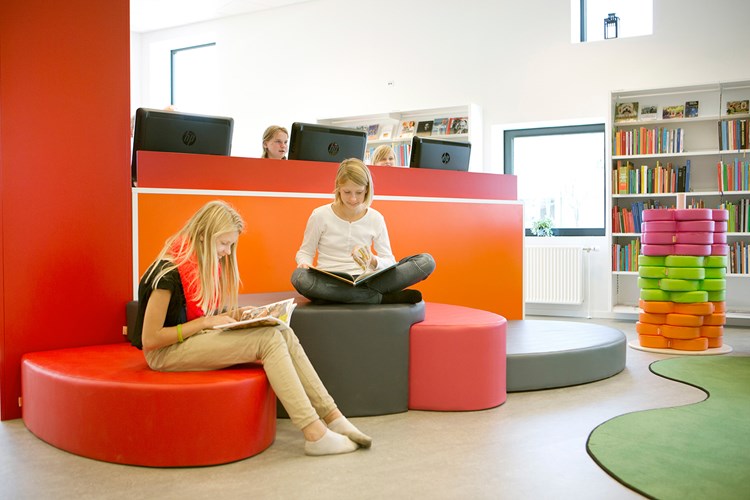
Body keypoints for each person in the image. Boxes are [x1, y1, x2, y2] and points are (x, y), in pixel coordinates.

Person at [132, 200, 371, 456]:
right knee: (268, 339)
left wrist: (233, 316)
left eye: (230, 245)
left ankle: (333, 416)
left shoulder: (200, 266)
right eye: (223, 243)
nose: (227, 252)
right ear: (203, 235)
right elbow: (151, 340)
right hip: (165, 353)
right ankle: (315, 433)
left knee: (283, 331)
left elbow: (198, 316)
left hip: (192, 339)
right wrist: (205, 323)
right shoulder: (167, 273)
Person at [291, 158, 435, 304]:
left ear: (367, 189)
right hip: (330, 282)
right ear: (338, 188)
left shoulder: (375, 218)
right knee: (299, 277)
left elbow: (389, 261)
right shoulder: (320, 215)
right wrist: (304, 264)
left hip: (369, 280)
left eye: (359, 192)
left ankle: (345, 298)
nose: (353, 199)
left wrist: (372, 260)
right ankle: (380, 298)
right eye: (347, 192)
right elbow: (305, 253)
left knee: (426, 261)